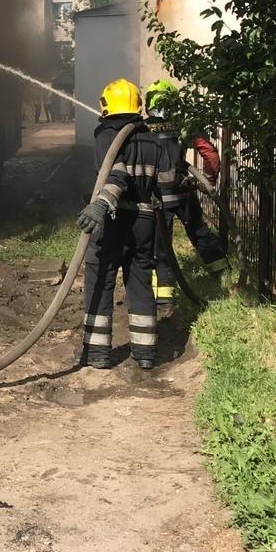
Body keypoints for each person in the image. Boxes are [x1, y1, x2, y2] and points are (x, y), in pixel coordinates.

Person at [75, 79, 182, 370]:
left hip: (113, 219)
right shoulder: (151, 138)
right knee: (139, 282)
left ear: (105, 104)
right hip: (145, 221)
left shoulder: (107, 133)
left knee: (101, 277)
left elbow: (116, 174)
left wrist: (100, 203)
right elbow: (166, 183)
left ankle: (96, 353)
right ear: (138, 105)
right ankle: (146, 352)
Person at [143, 81, 231, 313]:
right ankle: (222, 272)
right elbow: (210, 155)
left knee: (161, 246)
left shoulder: (139, 130)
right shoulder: (183, 126)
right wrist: (208, 181)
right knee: (199, 231)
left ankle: (163, 299)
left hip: (157, 200)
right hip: (183, 194)